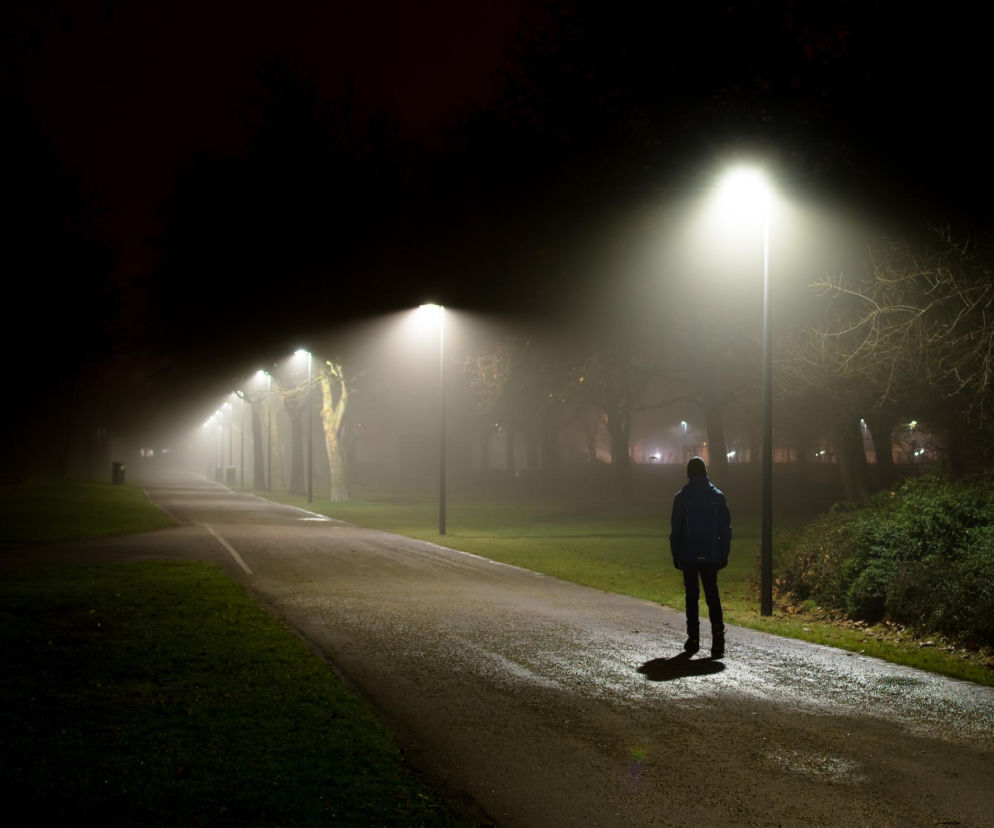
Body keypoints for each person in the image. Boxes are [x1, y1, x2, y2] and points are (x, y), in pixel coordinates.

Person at [669, 456, 731, 658]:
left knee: (692, 596)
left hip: (688, 553)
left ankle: (693, 638)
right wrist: (724, 552)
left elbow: (676, 528)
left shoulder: (682, 496)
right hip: (711, 552)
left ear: (688, 473)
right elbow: (725, 528)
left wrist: (675, 552)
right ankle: (718, 641)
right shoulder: (717, 496)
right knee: (713, 595)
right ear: (705, 472)